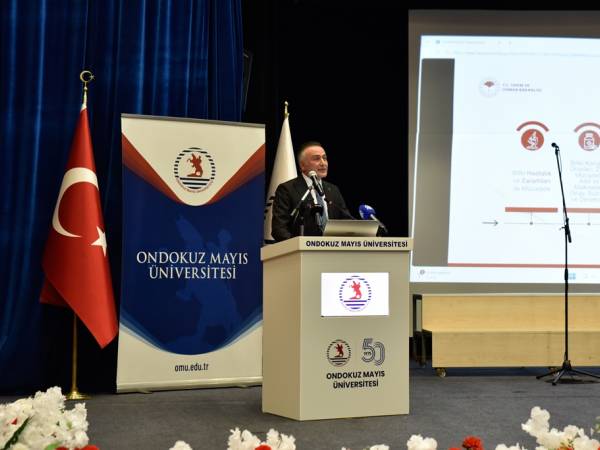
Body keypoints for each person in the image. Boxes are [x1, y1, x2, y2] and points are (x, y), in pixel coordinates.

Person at [271, 141, 351, 242]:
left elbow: (346, 221)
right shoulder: (287, 189)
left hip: (333, 249)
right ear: (302, 165)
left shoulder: (333, 190)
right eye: (316, 159)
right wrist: (299, 246)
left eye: (325, 158)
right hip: (301, 250)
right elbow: (279, 229)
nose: (323, 163)